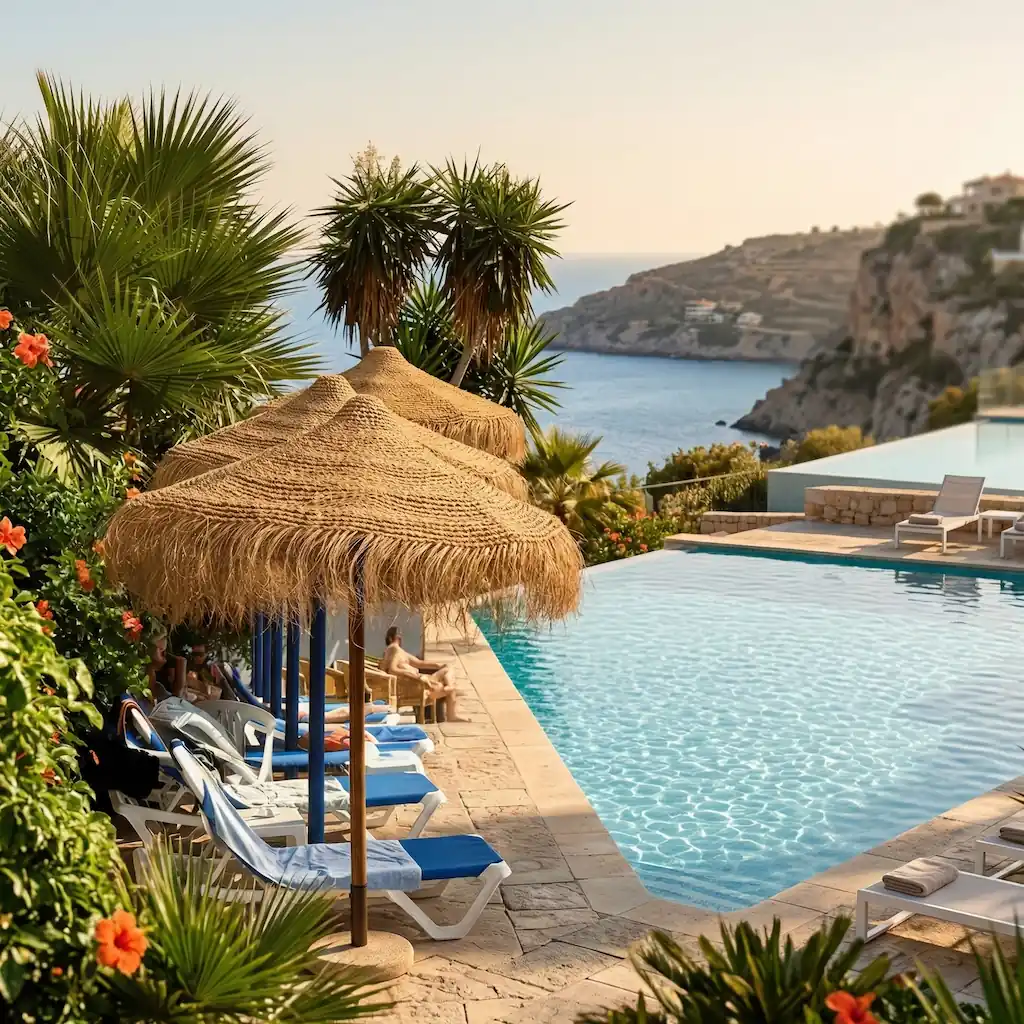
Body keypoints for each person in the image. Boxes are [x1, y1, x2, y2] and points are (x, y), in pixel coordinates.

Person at [380, 626, 469, 723]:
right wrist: (418, 676)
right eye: (398, 635)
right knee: (449, 681)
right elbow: (392, 670)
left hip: (419, 683)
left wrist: (438, 665)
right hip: (418, 685)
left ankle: (450, 687)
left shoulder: (400, 652)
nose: (400, 637)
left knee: (448, 669)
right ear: (390, 638)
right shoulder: (394, 649)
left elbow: (419, 663)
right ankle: (451, 700)